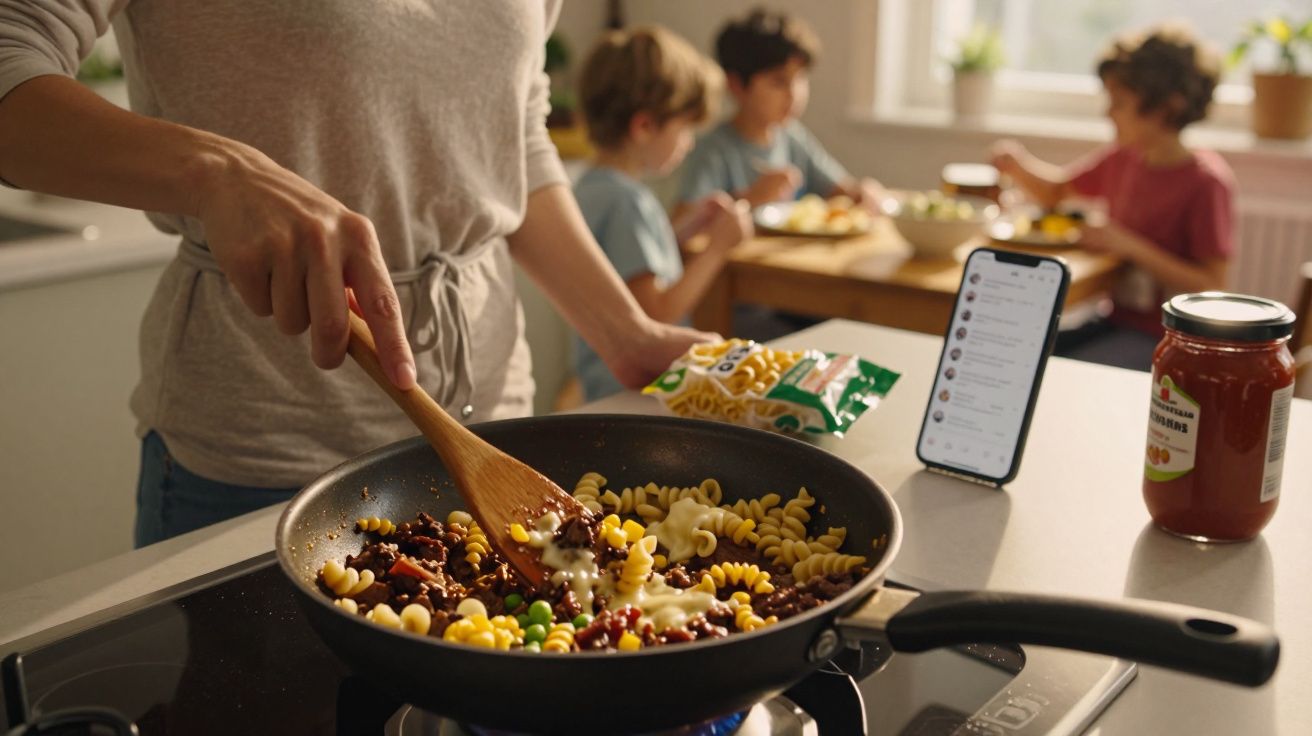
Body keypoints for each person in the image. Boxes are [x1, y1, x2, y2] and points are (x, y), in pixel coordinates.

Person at [0, 1, 714, 546]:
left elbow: (510, 133)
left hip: (495, 427)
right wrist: (216, 171)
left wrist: (624, 331)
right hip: (266, 455)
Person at [992, 24, 1232, 371]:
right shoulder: (1124, 158)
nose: (1107, 112)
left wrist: (1129, 245)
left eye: (1119, 103)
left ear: (1166, 108)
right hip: (1114, 321)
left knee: (1061, 373)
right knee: (1022, 354)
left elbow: (1212, 285)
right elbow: (1057, 192)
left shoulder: (1206, 182)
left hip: (1166, 340)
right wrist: (1016, 165)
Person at [572, 26, 752, 401]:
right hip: (636, 393)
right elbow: (657, 314)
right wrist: (717, 247)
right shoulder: (629, 202)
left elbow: (627, 272)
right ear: (644, 126)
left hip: (603, 390)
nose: (688, 143)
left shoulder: (590, 188)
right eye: (685, 128)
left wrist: (686, 230)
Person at [674, 7, 883, 214]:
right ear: (736, 85)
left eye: (800, 78)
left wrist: (861, 191)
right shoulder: (714, 151)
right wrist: (750, 199)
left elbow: (839, 189)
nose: (794, 94)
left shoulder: (791, 136)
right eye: (779, 82)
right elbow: (682, 227)